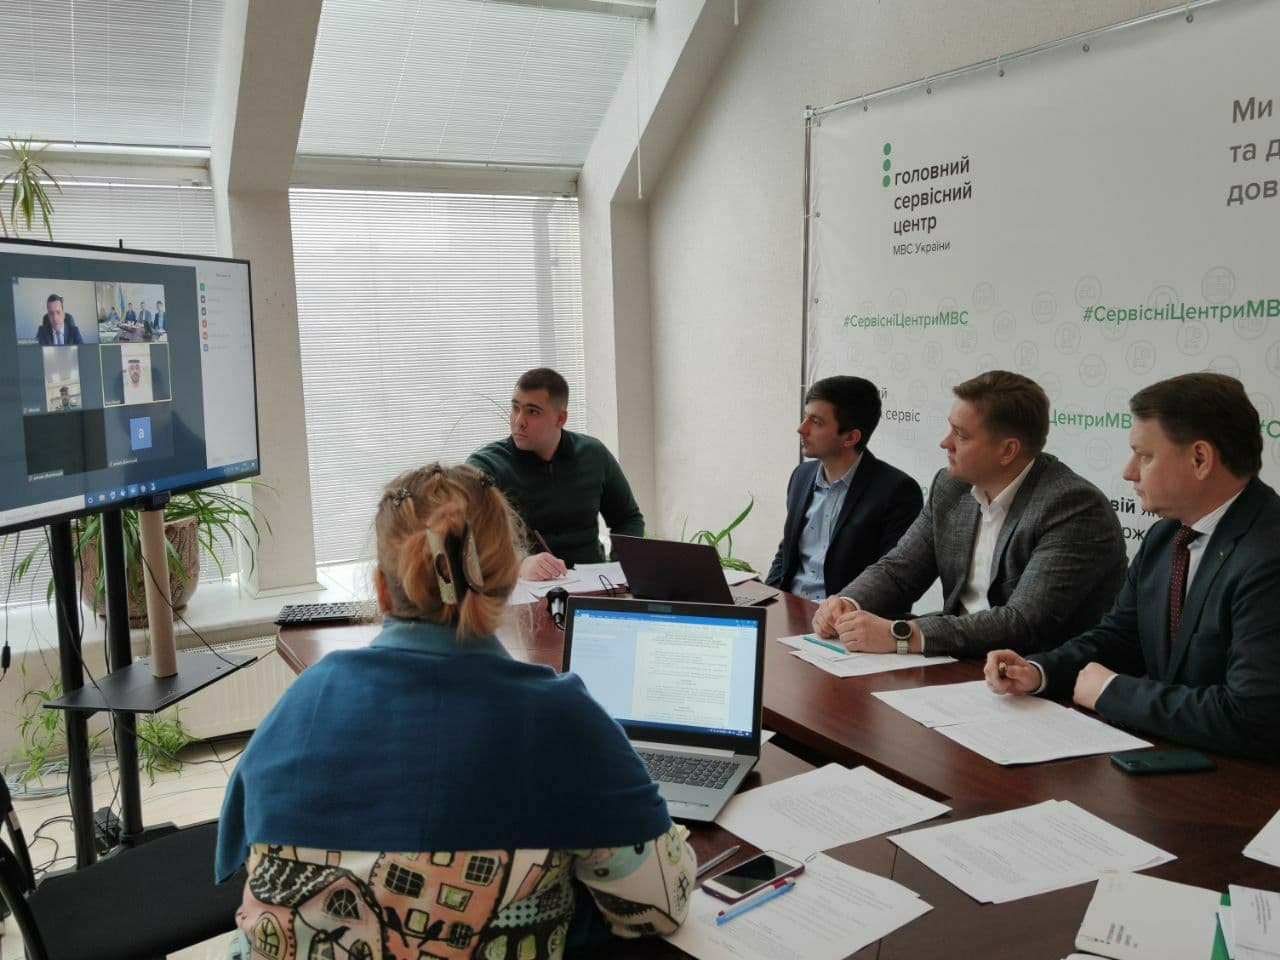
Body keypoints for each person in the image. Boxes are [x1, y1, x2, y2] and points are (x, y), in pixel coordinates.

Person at [217, 464, 694, 958]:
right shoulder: (561, 720)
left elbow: (239, 862)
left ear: (381, 590)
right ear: (507, 581)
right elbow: (658, 907)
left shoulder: (299, 705)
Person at [986, 373, 1280, 759]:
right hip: (1170, 756)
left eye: (1144, 455)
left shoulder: (1268, 555)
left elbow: (1252, 716)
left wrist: (1112, 692)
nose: (1129, 471)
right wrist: (1039, 672)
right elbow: (1122, 638)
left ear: (1200, 459)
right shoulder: (1166, 536)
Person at [811, 370, 1125, 658]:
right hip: (956, 660)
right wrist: (846, 603)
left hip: (1035, 675)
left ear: (1007, 450)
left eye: (960, 435)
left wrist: (902, 635)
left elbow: (1023, 622)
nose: (945, 443)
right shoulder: (951, 486)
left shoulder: (1072, 506)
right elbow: (899, 571)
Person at [468, 368, 645, 580]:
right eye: (515, 408)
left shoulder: (593, 454)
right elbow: (468, 541)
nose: (519, 421)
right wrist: (518, 565)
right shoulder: (486, 467)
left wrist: (619, 568)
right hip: (525, 588)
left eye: (533, 412)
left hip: (594, 585)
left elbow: (628, 519)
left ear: (560, 419)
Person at [766, 375, 922, 600]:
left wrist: (838, 612)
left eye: (816, 422)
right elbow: (786, 554)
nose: (801, 428)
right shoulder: (801, 476)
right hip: (790, 607)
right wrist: (768, 600)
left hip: (844, 616)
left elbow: (892, 581)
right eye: (805, 417)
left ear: (850, 437)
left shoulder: (897, 491)